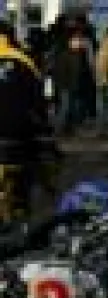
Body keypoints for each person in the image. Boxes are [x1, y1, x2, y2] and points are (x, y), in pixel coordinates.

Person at [0, 20, 53, 219]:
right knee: (27, 163)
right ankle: (21, 206)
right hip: (18, 133)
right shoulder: (24, 61)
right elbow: (38, 102)